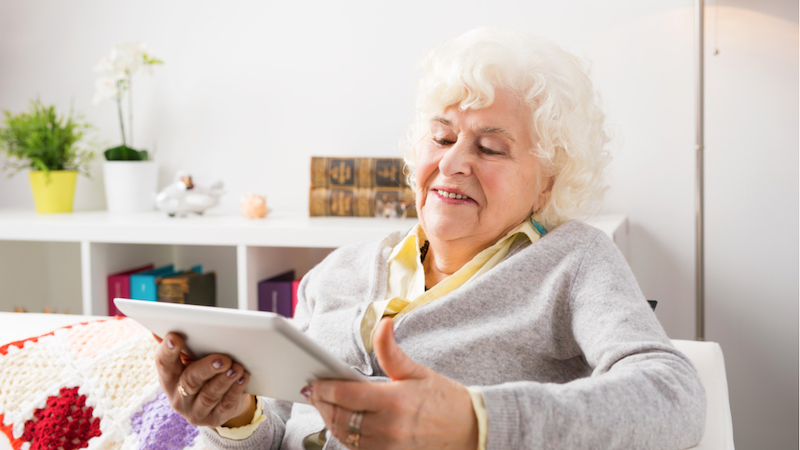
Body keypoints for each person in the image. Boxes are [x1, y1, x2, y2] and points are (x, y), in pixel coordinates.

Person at [155, 28, 706, 450]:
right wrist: (234, 417)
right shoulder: (337, 273)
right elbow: (277, 431)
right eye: (441, 137)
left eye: (490, 148)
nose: (453, 163)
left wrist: (475, 423)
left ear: (547, 185)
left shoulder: (573, 260)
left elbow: (673, 398)